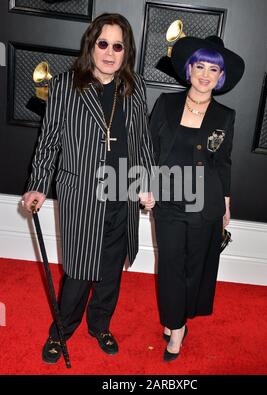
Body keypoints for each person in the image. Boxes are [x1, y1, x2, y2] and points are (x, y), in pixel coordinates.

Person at [22, 13, 155, 364]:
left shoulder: (135, 86)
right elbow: (48, 142)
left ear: (127, 52)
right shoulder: (66, 85)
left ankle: (100, 325)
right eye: (103, 44)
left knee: (111, 269)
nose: (110, 53)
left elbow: (142, 140)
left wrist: (146, 184)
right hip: (81, 193)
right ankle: (61, 332)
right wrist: (37, 186)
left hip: (122, 194)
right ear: (91, 45)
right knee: (79, 270)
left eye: (118, 46)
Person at [150, 36, 245, 361]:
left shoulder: (225, 115)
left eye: (213, 68)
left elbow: (224, 160)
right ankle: (176, 329)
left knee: (194, 267)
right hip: (168, 201)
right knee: (171, 264)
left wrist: (227, 204)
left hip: (207, 202)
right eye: (200, 66)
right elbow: (149, 149)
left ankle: (177, 317)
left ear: (220, 76)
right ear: (189, 69)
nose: (205, 74)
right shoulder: (165, 103)